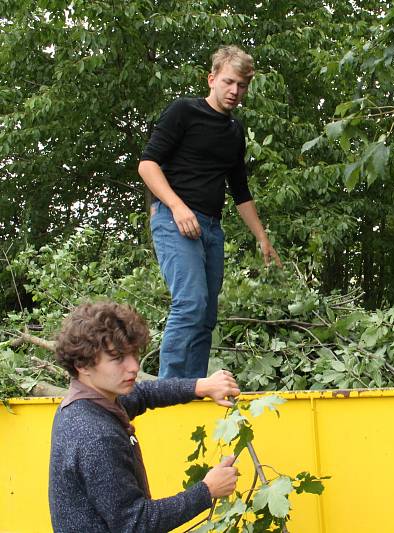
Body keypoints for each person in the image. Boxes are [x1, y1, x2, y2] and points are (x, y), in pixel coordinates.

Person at [138, 44, 282, 379]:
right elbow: (147, 165)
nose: (235, 91)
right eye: (229, 82)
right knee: (190, 303)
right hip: (174, 221)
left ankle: (194, 388)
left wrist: (263, 238)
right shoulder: (183, 112)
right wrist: (177, 207)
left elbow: (240, 191)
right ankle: (168, 389)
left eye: (242, 86)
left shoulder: (234, 131)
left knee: (206, 315)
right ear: (212, 78)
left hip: (211, 229)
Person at [49, 301, 242, 532]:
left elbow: (143, 394)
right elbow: (135, 523)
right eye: (118, 358)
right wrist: (207, 490)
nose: (133, 367)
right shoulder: (95, 436)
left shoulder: (88, 403)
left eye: (134, 353)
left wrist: (200, 386)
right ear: (83, 364)